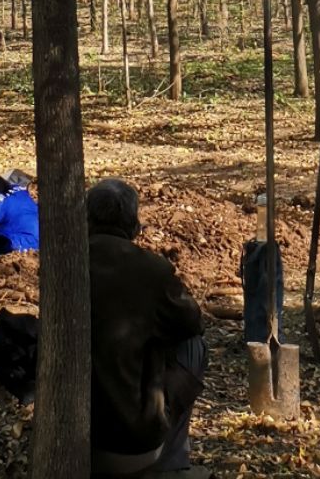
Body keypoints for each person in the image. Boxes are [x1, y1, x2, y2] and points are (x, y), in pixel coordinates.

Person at [87, 177, 206, 476]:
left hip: (75, 439)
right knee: (193, 345)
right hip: (131, 447)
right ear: (133, 224)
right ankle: (172, 461)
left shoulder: (64, 266)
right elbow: (193, 323)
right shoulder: (152, 269)